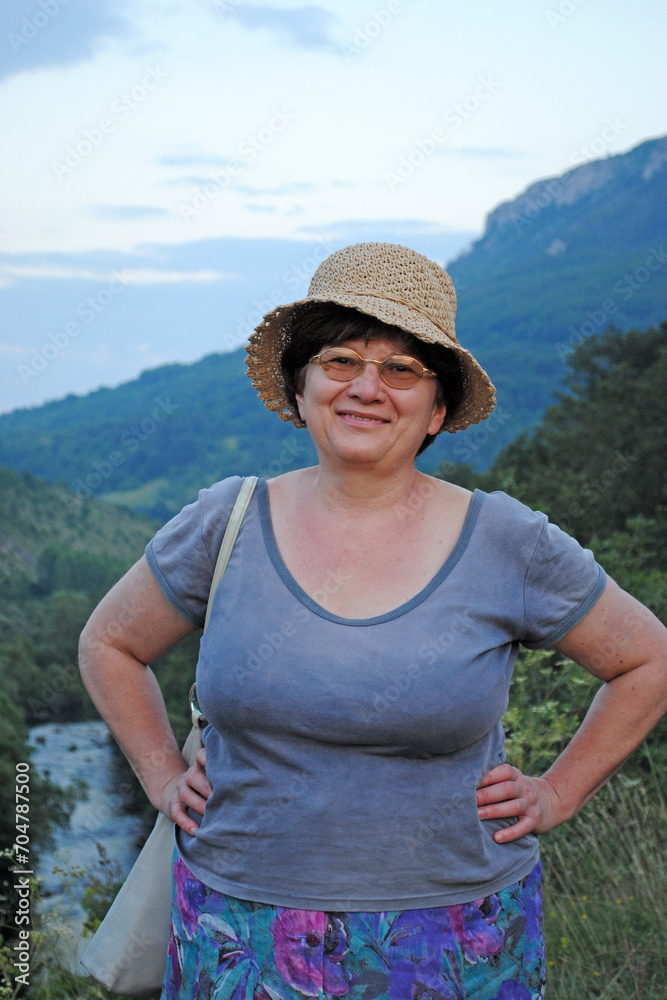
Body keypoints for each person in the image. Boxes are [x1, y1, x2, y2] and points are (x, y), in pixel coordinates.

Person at [79, 243, 667, 1000]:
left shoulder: (508, 542)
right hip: (239, 930)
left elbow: (646, 659)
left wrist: (558, 792)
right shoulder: (226, 522)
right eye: (340, 360)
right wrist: (160, 774)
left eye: (401, 369)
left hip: (457, 937)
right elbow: (110, 642)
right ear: (300, 386)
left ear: (438, 408)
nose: (366, 388)